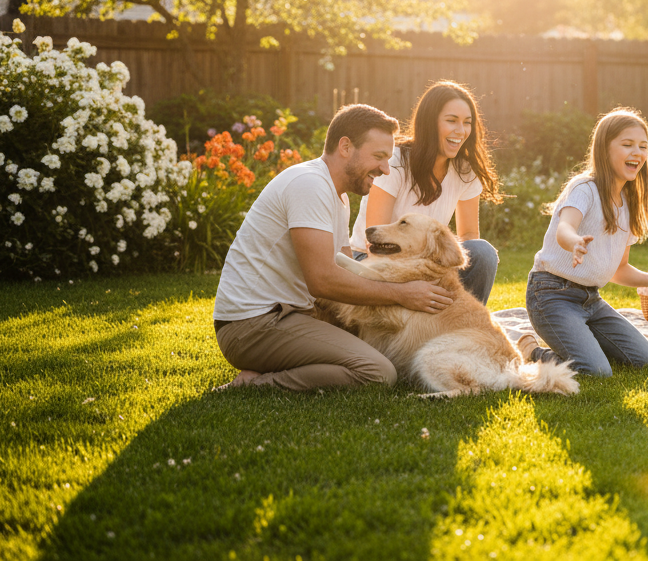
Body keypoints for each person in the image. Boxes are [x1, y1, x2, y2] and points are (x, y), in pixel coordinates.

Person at [212, 104, 455, 391]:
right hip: (253, 325)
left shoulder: (337, 196)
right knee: (377, 372)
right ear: (345, 147)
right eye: (378, 157)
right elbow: (323, 280)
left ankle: (274, 364)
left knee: (372, 349)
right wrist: (403, 295)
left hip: (291, 315)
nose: (385, 169)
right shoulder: (309, 185)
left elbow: (349, 272)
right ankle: (256, 384)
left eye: (388, 159)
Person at [520, 108, 648, 377]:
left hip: (591, 301)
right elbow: (565, 227)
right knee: (596, 372)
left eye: (643, 146)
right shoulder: (584, 188)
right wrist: (574, 242)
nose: (638, 153)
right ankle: (533, 352)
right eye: (627, 144)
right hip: (551, 294)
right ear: (604, 149)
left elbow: (620, 269)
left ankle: (583, 342)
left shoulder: (628, 204)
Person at [349, 80, 503, 304]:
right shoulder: (396, 162)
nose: (461, 131)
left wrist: (439, 266)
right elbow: (374, 243)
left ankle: (464, 325)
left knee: (482, 252)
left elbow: (469, 235)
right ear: (430, 123)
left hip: (425, 260)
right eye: (451, 121)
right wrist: (417, 273)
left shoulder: (465, 171)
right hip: (372, 257)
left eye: (467, 123)